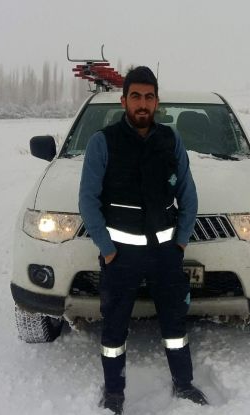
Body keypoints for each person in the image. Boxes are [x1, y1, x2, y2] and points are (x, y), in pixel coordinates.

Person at [79, 66, 208, 414]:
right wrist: (107, 250)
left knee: (175, 325)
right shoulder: (102, 142)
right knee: (114, 330)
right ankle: (114, 394)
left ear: (157, 102)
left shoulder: (170, 140)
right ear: (123, 101)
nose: (142, 103)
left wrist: (180, 242)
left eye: (149, 97)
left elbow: (188, 193)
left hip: (165, 254)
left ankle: (184, 384)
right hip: (120, 258)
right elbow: (88, 201)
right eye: (135, 96)